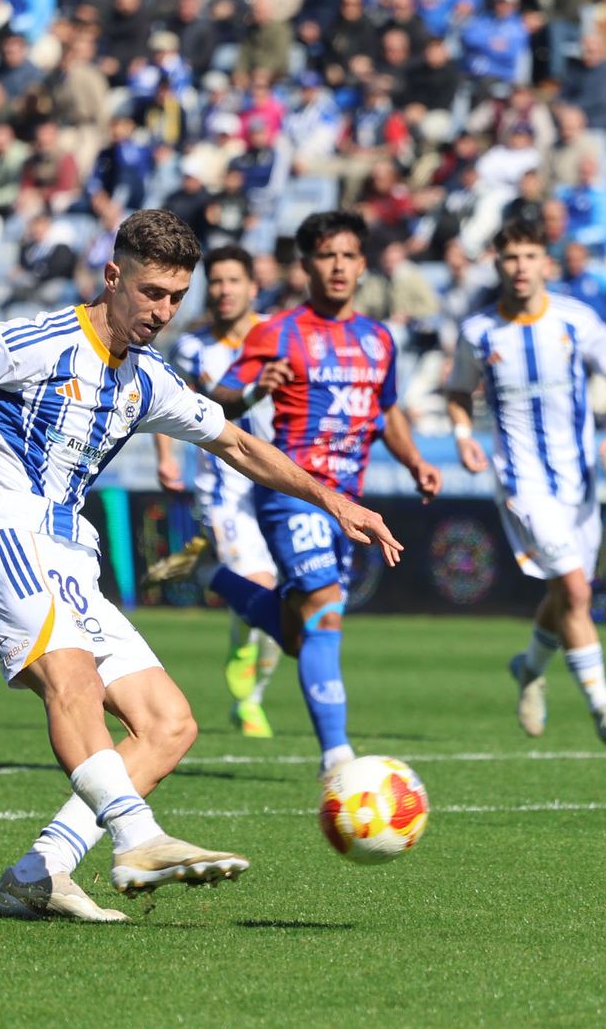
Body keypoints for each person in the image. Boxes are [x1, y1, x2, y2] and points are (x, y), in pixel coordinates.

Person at [0, 210, 404, 923]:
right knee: (72, 673)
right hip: (3, 534)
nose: (163, 311)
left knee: (169, 723)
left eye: (176, 298)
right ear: (113, 277)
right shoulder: (40, 341)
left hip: (70, 556)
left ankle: (39, 870)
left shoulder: (147, 378)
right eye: (151, 292)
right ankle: (138, 836)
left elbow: (237, 444)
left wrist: (334, 500)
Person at [145, 211, 443, 776]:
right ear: (306, 265)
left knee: (297, 632)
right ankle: (339, 760)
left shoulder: (378, 338)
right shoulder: (277, 331)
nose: (338, 266)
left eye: (348, 255)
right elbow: (220, 403)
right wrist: (258, 387)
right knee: (326, 614)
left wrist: (416, 461)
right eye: (326, 255)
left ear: (362, 265)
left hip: (349, 503)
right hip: (295, 494)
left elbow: (385, 414)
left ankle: (209, 574)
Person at [445, 218, 606, 746]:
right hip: (521, 481)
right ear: (498, 264)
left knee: (567, 592)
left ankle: (530, 668)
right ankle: (605, 709)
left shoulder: (578, 320)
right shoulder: (479, 331)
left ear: (546, 264)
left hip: (579, 478)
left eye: (530, 256)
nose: (520, 268)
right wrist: (464, 434)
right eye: (511, 258)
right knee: (576, 588)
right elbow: (458, 390)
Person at [152, 245, 282, 739]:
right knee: (261, 586)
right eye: (218, 282)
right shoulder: (193, 347)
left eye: (234, 281)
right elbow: (169, 403)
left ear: (253, 286)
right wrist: (167, 457)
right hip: (223, 484)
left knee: (282, 599)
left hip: (277, 484)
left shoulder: (278, 336)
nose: (225, 290)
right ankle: (247, 693)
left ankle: (250, 697)